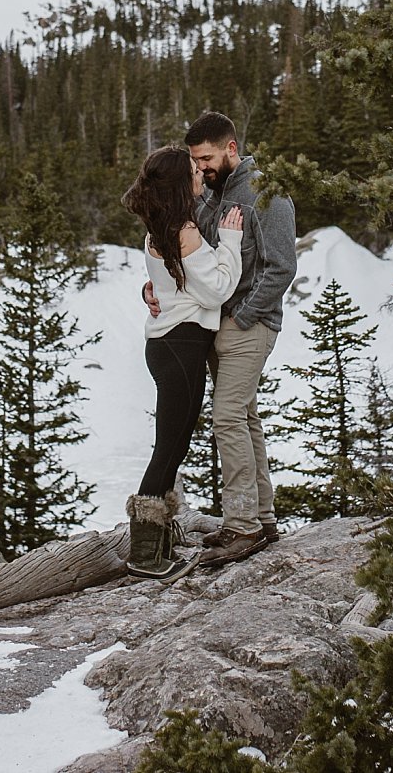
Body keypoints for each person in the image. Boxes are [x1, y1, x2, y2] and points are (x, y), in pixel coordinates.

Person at [144, 111, 298, 567]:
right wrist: (154, 287)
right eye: (195, 161)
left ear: (231, 148)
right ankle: (262, 519)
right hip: (214, 324)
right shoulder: (208, 199)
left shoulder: (266, 195)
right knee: (244, 417)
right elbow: (192, 263)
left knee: (227, 416)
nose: (201, 167)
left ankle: (242, 527)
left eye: (206, 158)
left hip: (247, 324)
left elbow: (281, 267)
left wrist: (244, 317)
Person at [119, 144, 244, 581]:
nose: (200, 173)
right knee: (168, 448)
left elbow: (173, 286)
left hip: (170, 344)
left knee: (173, 446)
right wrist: (230, 239)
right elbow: (217, 291)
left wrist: (151, 292)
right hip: (182, 344)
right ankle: (145, 555)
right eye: (193, 169)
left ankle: (160, 541)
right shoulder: (185, 231)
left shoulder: (162, 227)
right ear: (180, 182)